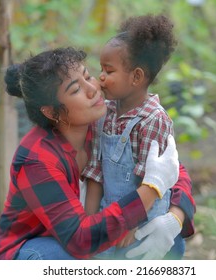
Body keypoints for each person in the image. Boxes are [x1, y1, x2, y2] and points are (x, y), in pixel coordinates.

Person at [0, 46, 180, 260]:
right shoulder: (37, 158)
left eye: (88, 76)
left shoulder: (106, 122)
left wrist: (176, 218)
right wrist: (150, 190)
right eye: (75, 90)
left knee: (170, 241)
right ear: (51, 112)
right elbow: (80, 240)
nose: (93, 89)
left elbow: (168, 166)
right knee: (58, 257)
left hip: (91, 241)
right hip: (36, 251)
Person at [82, 14, 195, 259]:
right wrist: (89, 225)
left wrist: (128, 225)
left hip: (142, 228)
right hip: (109, 220)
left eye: (108, 70)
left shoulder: (154, 120)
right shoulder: (105, 113)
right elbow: (95, 173)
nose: (100, 76)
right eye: (101, 68)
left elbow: (148, 183)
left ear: (136, 77)